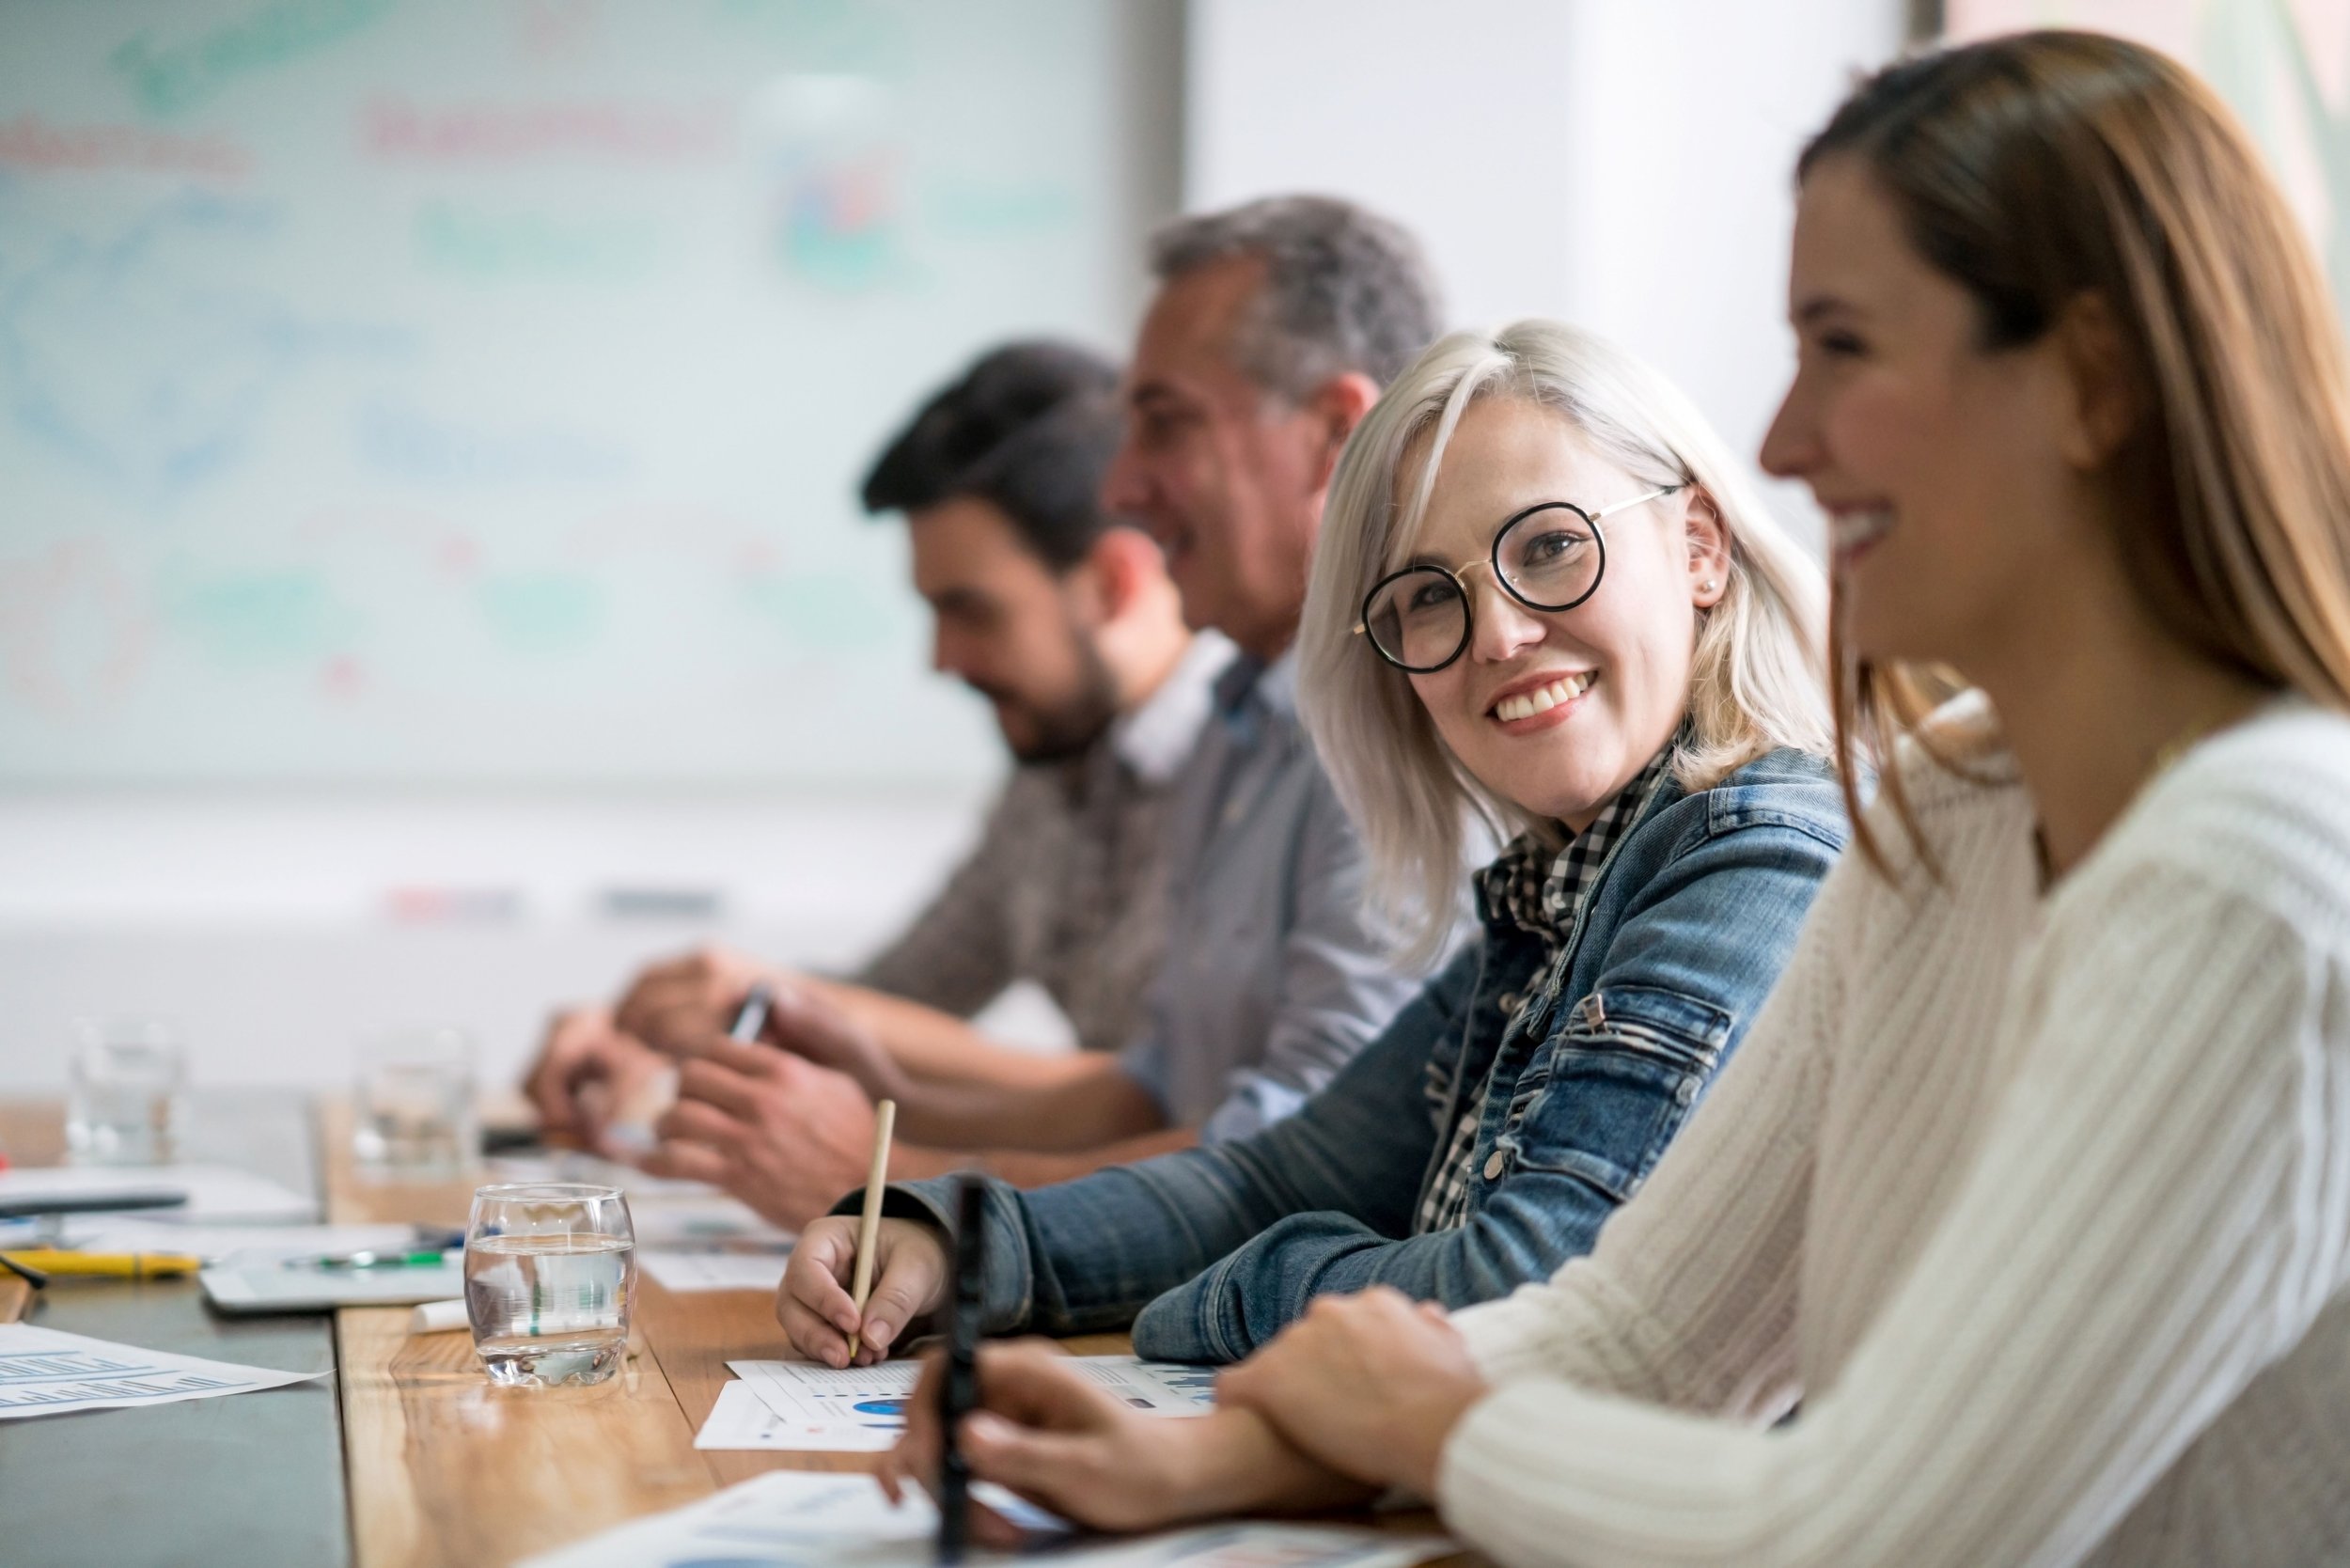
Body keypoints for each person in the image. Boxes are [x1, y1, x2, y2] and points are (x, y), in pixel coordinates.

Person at [880, 32, 2350, 1568]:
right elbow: (1640, 1332)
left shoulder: (2253, 866)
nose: (1783, 437)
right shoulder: (1939, 813)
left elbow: (1872, 1530)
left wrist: (1395, 1397)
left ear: (2094, 382)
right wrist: (1209, 1457)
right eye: (1434, 597)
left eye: (1842, 345)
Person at [778, 319, 1845, 1368]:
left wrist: (1235, 1293)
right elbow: (1273, 1180)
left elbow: (1519, 1290)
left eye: (1552, 546)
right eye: (1431, 596)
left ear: (1698, 548)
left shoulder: (1759, 856)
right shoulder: (1556, 890)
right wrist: (948, 1242)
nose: (1500, 634)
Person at [550, 198, 1449, 1224]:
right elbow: (1143, 1091)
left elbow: (1294, 1168)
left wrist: (892, 1176)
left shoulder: (1408, 734)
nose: (1126, 483)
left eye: (1164, 423)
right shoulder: (1242, 728)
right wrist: (872, 1078)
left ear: (1336, 433)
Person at [522, 341, 1230, 1204]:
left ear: (1115, 583)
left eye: (971, 610)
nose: (942, 660)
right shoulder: (1052, 768)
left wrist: (769, 996)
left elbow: (1170, 1100)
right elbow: (893, 996)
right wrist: (678, 1036)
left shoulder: (1257, 766)